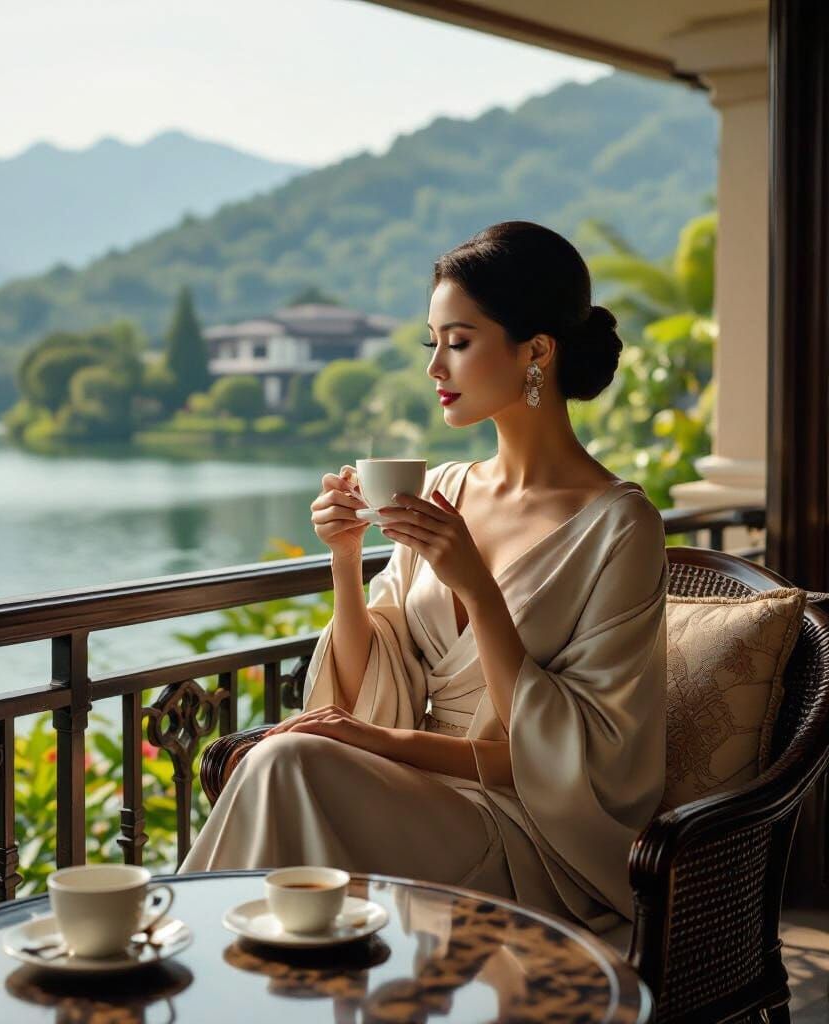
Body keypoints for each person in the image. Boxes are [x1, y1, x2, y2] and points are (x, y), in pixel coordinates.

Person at [178, 221, 668, 936]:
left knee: (287, 763)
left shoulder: (620, 526)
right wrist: (345, 558)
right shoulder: (441, 490)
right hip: (408, 800)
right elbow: (366, 691)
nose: (435, 367)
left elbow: (586, 764)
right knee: (286, 763)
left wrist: (477, 589)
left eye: (458, 342)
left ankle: (190, 959)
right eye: (430, 343)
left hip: (531, 834)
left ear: (536, 351)